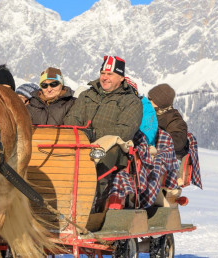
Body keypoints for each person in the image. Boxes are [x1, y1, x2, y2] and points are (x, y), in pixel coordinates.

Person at [63, 56, 142, 212]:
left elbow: (124, 130)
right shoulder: (87, 95)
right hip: (80, 141)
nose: (105, 78)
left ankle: (93, 203)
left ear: (121, 78)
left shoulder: (131, 101)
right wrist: (78, 132)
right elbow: (72, 118)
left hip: (113, 147)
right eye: (103, 73)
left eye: (110, 74)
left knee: (98, 160)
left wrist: (92, 133)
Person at [148, 83, 188, 158]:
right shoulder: (148, 113)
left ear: (159, 102)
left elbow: (178, 142)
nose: (148, 100)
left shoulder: (174, 119)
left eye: (150, 99)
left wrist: (157, 134)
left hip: (170, 158)